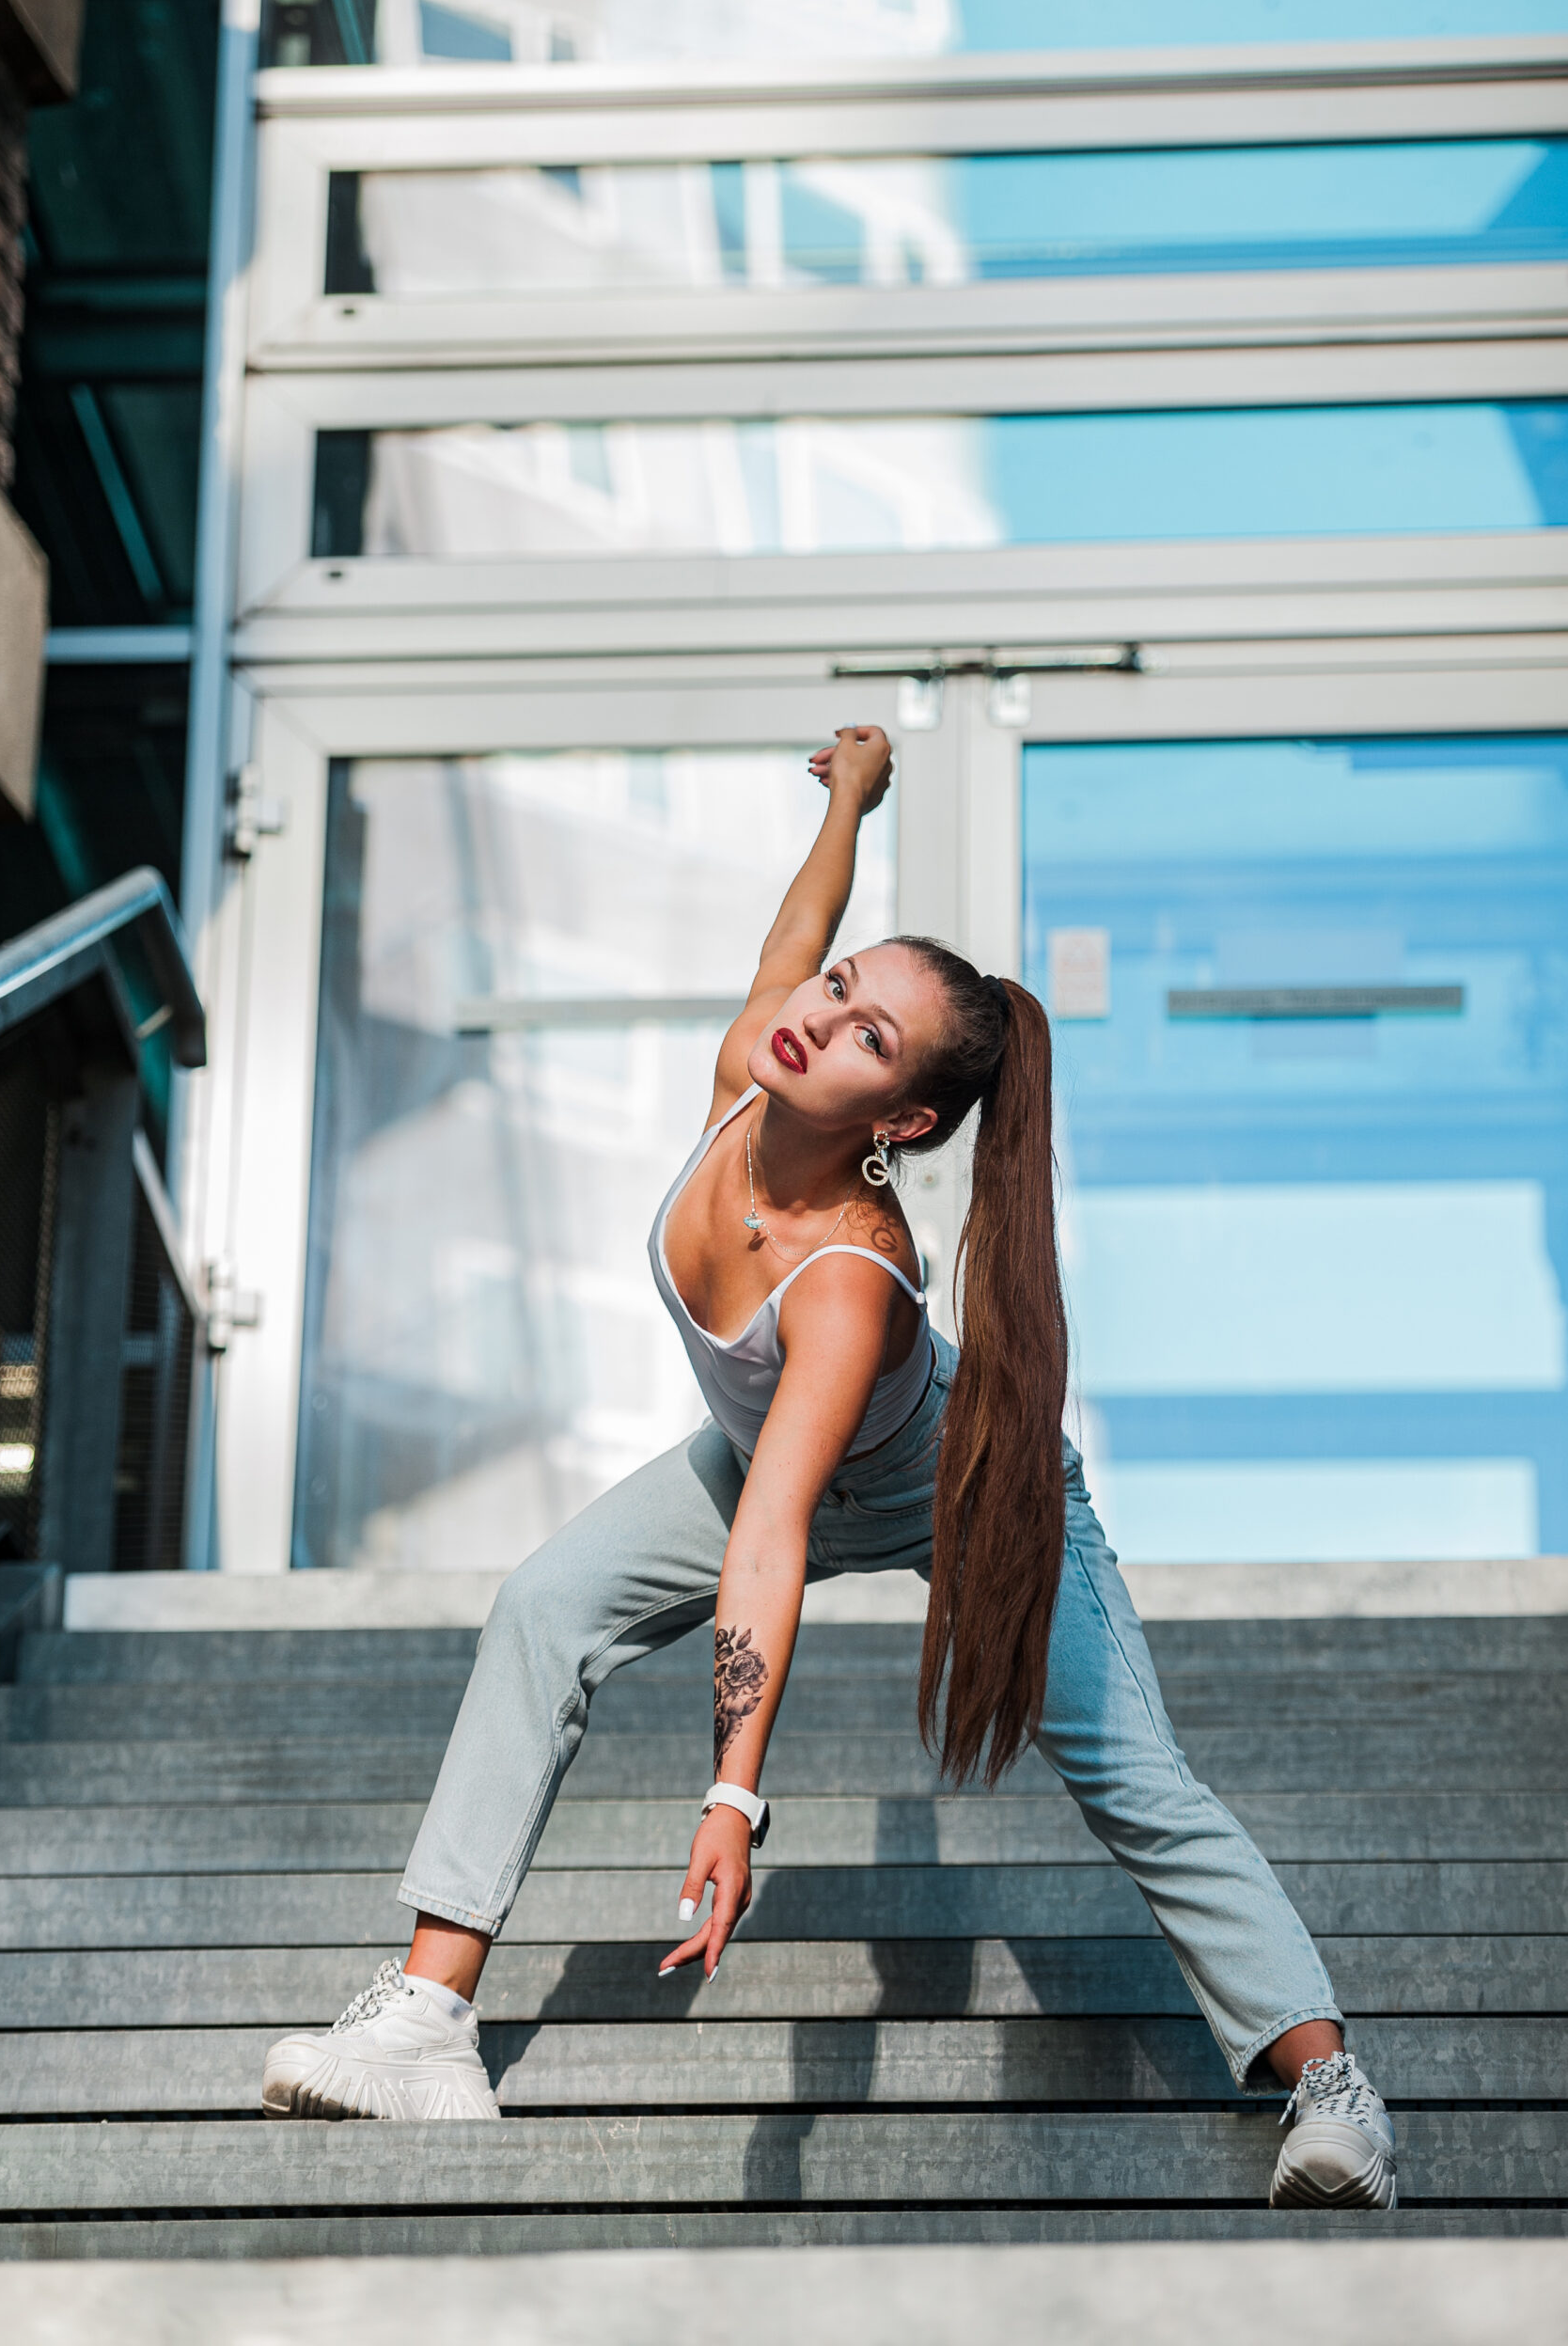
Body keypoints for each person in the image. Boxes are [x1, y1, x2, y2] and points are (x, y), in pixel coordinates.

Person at [262, 725, 1396, 2211]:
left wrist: (733, 1797)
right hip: (763, 1464)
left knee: (1128, 1769)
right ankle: (426, 2016)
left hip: (966, 1488)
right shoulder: (753, 1067)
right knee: (546, 1604)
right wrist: (851, 803)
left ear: (903, 1121)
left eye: (866, 1034)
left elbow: (777, 1534)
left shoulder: (851, 1274)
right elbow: (798, 931)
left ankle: (1329, 2085)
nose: (822, 1013)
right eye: (842, 988)